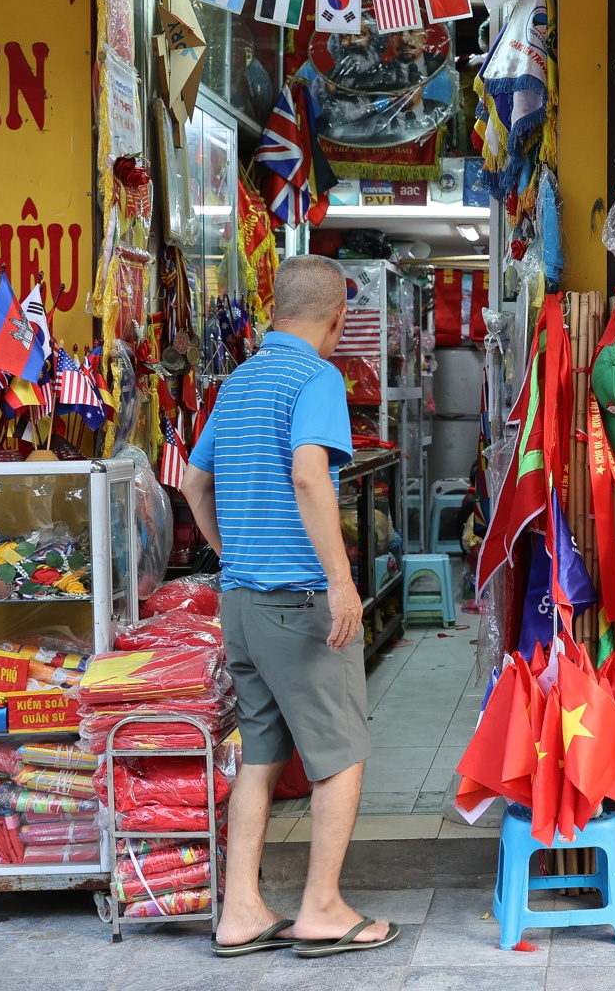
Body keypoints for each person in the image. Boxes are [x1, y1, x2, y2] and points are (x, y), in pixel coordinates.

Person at [181, 254, 400, 959]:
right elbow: (310, 473)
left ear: (275, 311)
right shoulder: (318, 377)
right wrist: (341, 582)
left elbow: (191, 483)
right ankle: (322, 908)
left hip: (241, 603)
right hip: (297, 600)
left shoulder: (239, 381)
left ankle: (240, 909)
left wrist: (229, 551)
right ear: (338, 318)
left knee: (261, 753)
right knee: (342, 752)